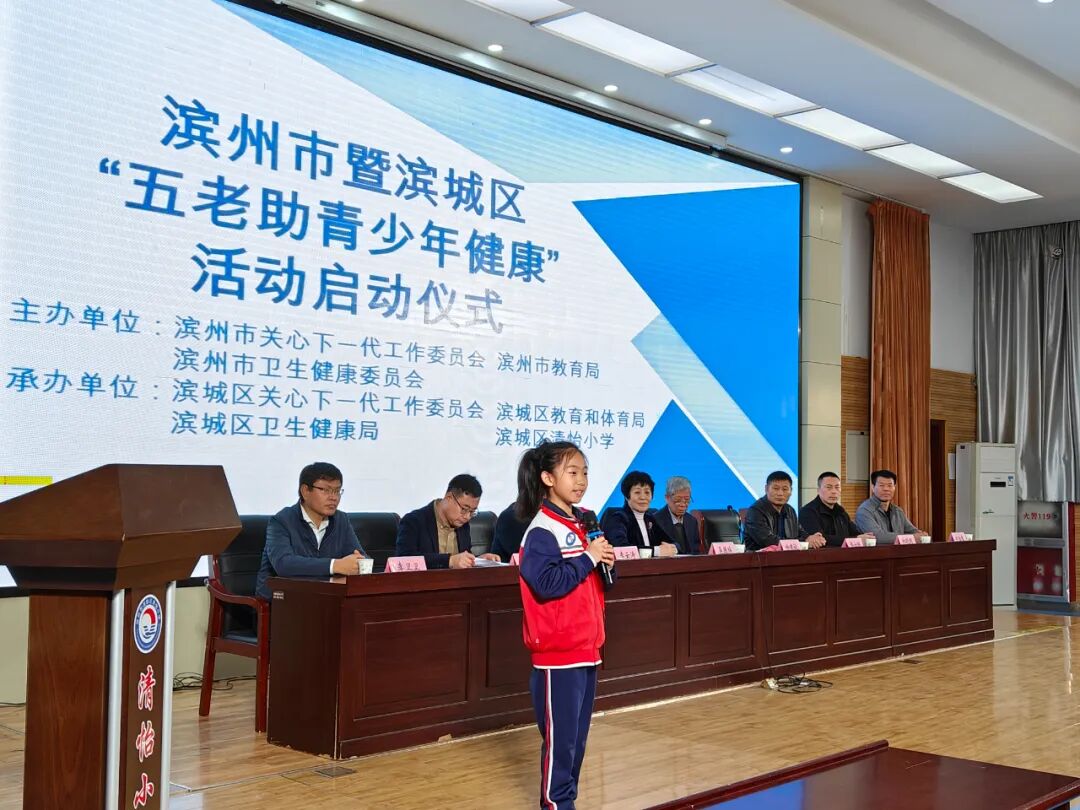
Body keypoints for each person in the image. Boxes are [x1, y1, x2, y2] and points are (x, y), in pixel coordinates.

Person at [517, 441, 615, 810]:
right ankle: (556, 805)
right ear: (547, 478)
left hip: (587, 648)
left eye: (584, 472)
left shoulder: (585, 521)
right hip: (557, 654)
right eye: (572, 472)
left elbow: (599, 581)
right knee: (561, 742)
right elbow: (546, 585)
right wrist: (588, 558)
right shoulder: (542, 531)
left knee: (576, 741)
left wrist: (605, 562)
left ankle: (566, 800)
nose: (581, 481)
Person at [256, 462, 368, 600]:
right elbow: (284, 564)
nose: (333, 497)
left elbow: (360, 556)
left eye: (337, 491)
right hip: (282, 601)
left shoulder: (341, 520)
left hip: (324, 599)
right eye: (325, 490)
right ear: (305, 491)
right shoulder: (281, 521)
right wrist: (335, 565)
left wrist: (359, 563)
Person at [396, 473, 501, 569]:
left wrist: (478, 560)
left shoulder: (463, 524)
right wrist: (449, 561)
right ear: (449, 498)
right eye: (464, 509)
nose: (467, 517)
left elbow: (462, 558)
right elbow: (403, 559)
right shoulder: (414, 521)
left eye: (472, 511)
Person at [743, 470, 825, 552]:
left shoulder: (790, 510)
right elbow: (769, 541)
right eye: (776, 488)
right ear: (766, 489)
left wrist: (810, 538)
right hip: (759, 558)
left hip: (788, 557)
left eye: (785, 489)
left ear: (791, 491)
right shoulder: (755, 511)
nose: (780, 493)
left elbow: (800, 532)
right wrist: (804, 543)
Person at [601, 471, 677, 557]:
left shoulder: (650, 518)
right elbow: (621, 549)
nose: (643, 497)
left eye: (647, 492)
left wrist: (673, 548)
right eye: (637, 492)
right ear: (626, 496)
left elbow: (673, 543)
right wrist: (656, 551)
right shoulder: (618, 518)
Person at [799, 472, 874, 548]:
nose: (834, 491)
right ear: (818, 490)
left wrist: (864, 537)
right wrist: (856, 539)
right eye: (829, 487)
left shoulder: (841, 511)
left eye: (837, 487)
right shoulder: (807, 511)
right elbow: (821, 539)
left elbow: (854, 532)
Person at [855, 469, 923, 545]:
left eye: (890, 485)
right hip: (875, 552)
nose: (886, 489)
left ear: (894, 487)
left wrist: (921, 535)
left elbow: (913, 531)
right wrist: (911, 537)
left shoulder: (898, 511)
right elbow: (877, 537)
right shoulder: (864, 510)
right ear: (873, 487)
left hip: (898, 551)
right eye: (881, 485)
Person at [652, 476, 701, 554]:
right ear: (667, 498)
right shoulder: (655, 521)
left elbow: (696, 551)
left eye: (687, 500)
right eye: (678, 500)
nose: (683, 504)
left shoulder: (692, 521)